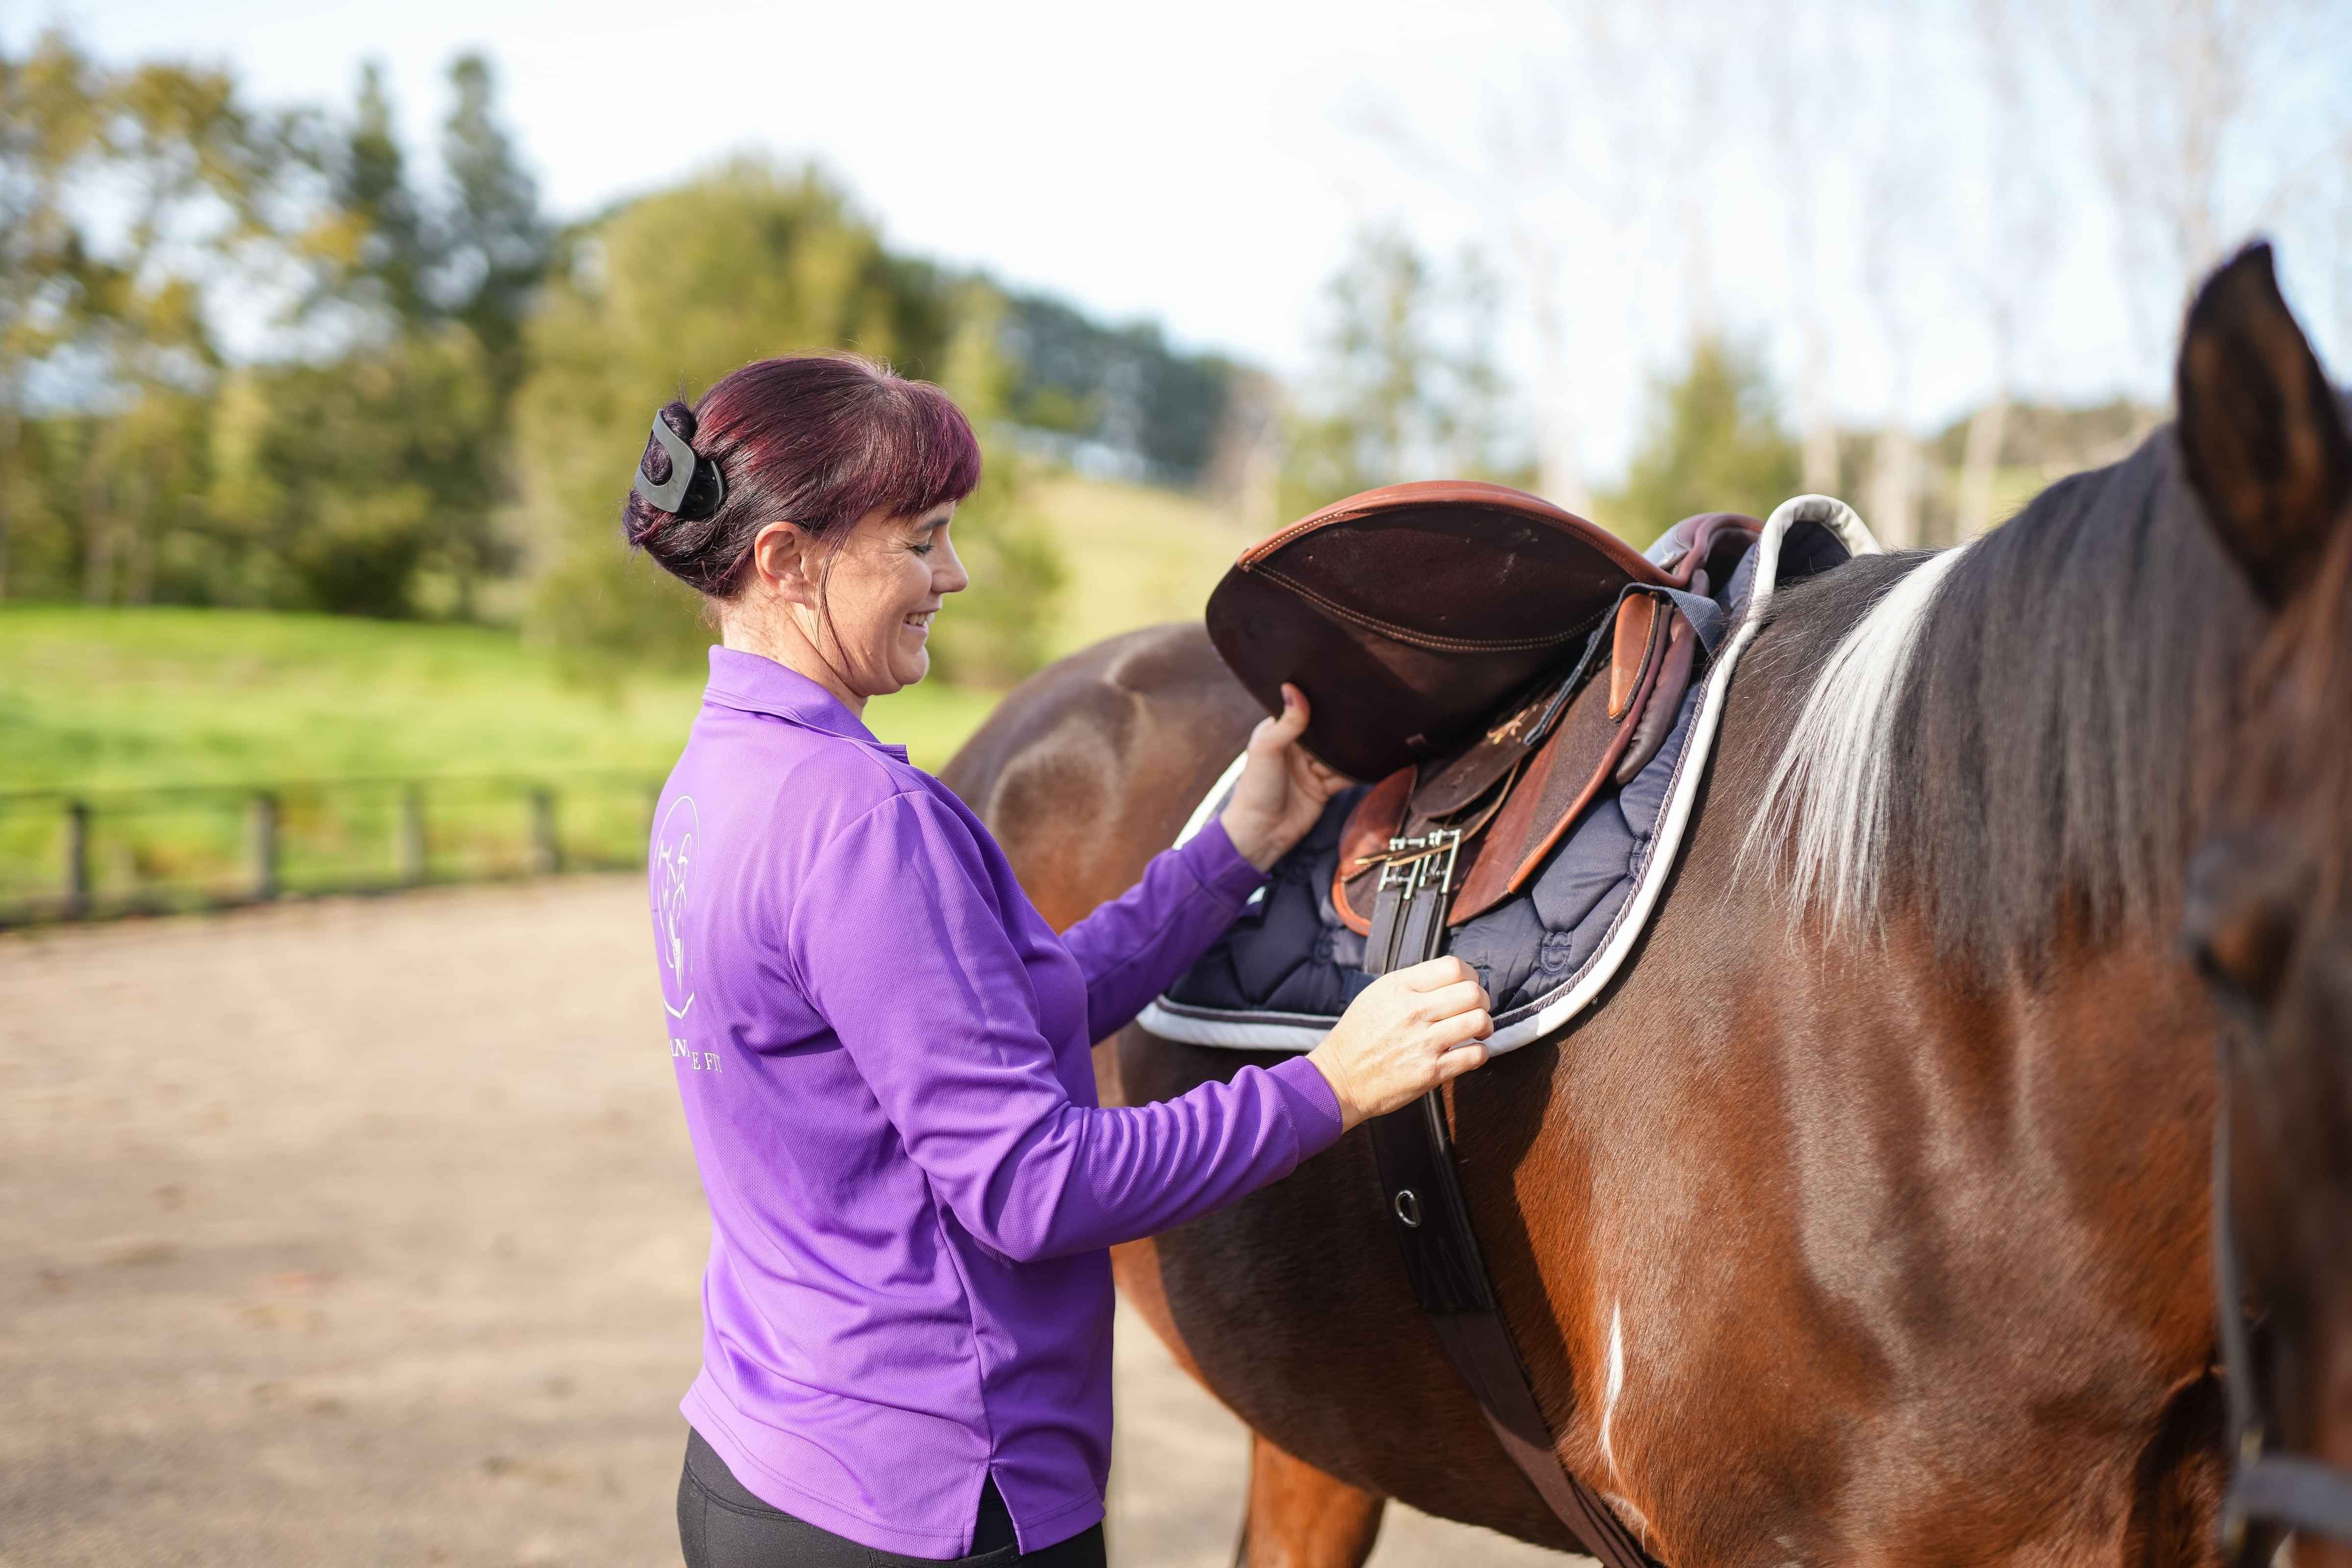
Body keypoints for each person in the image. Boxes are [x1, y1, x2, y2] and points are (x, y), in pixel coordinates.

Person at [629, 354, 1494, 1568]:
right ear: (786, 561)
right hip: (933, 1503)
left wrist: (1232, 851)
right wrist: (1334, 1082)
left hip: (766, 1463)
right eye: (920, 540)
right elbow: (1033, 1186)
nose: (954, 573)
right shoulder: (866, 820)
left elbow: (999, 1018)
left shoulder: (718, 781)